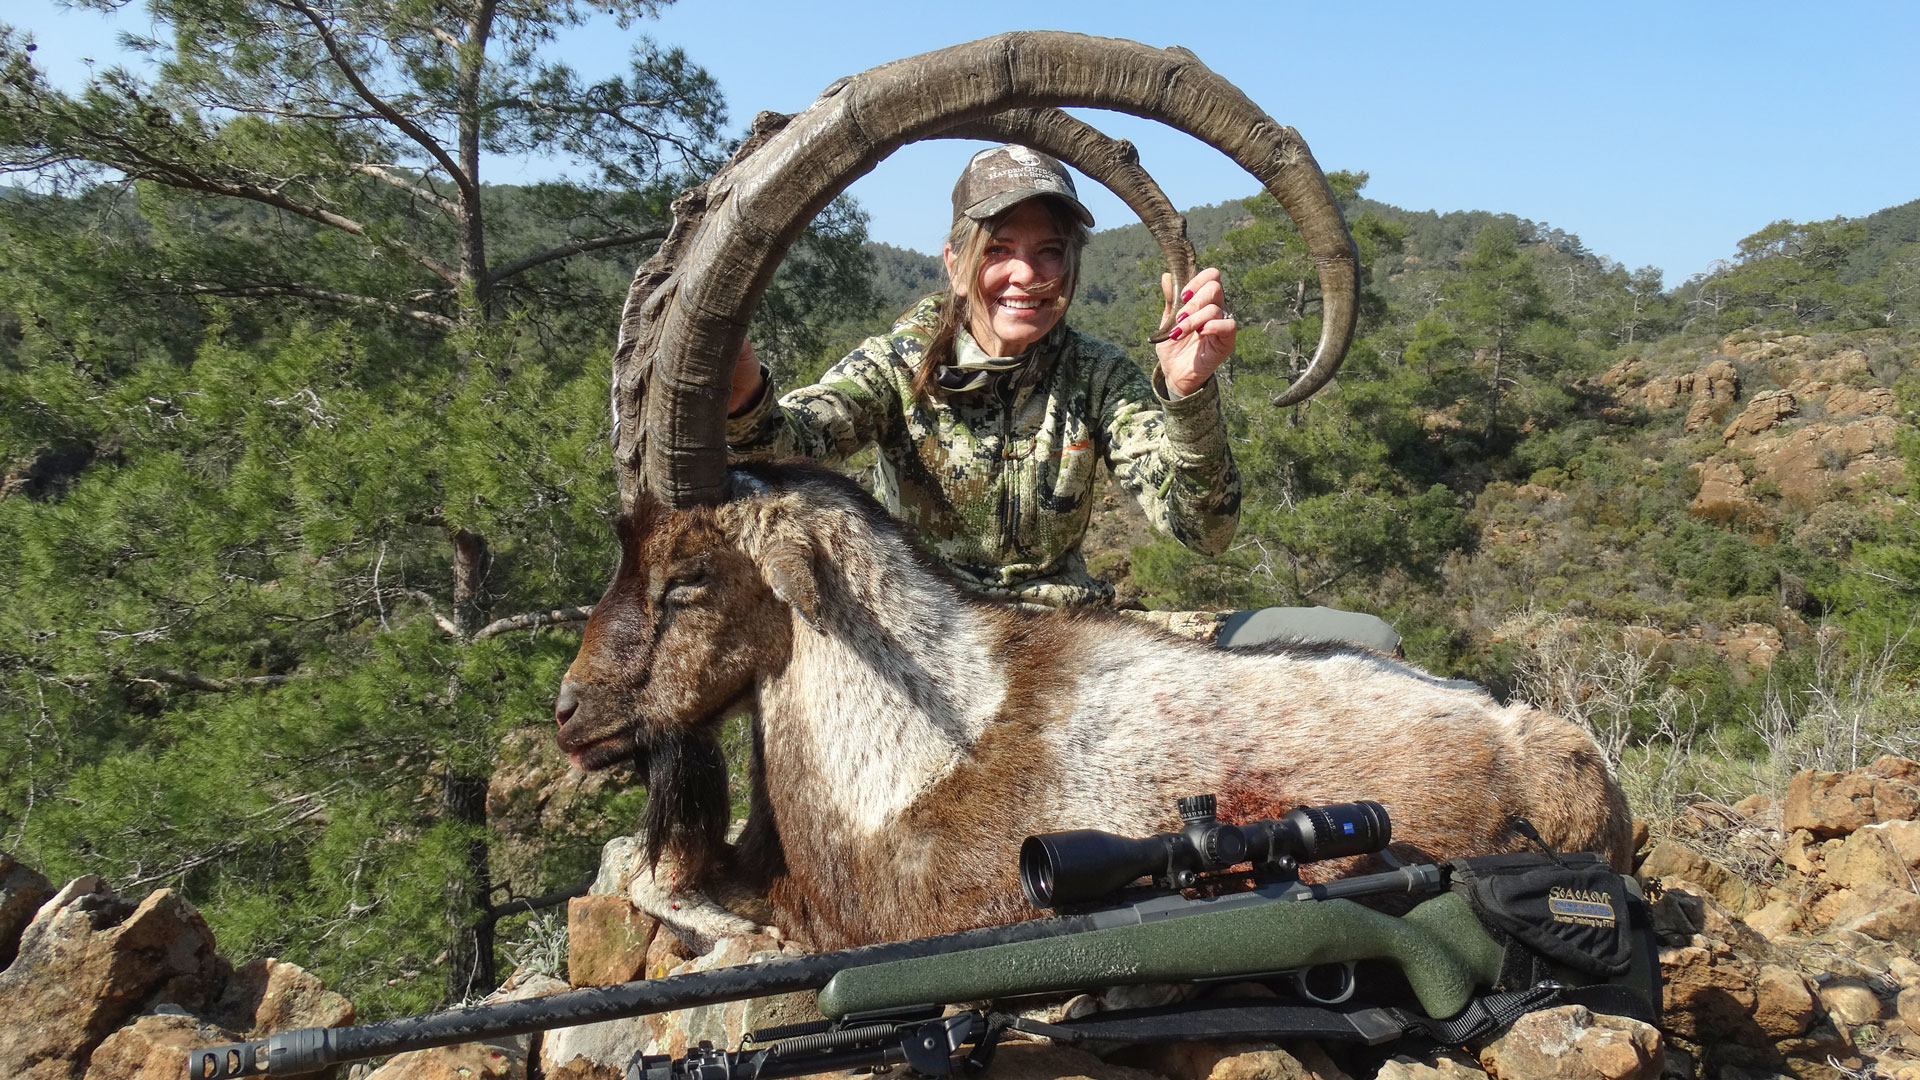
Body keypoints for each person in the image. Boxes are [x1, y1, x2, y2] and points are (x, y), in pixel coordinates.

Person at [726, 144, 1240, 609]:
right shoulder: (898, 365)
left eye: (1050, 251)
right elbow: (784, 449)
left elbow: (1205, 532)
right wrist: (743, 399)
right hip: (925, 636)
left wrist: (1187, 395)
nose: (1027, 274)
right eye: (998, 249)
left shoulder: (1097, 376)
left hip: (1064, 635)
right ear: (955, 264)